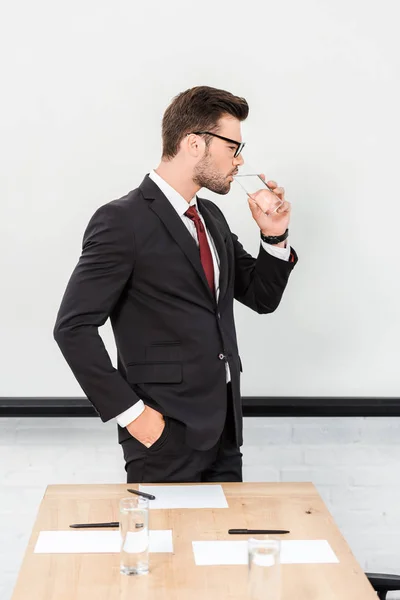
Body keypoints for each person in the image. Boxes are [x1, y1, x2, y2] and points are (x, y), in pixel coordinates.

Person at [53, 85, 298, 483]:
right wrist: (135, 418)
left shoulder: (212, 218)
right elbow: (72, 328)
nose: (240, 160)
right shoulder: (121, 221)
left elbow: (261, 297)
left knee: (227, 545)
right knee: (166, 547)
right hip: (162, 436)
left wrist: (274, 235)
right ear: (194, 144)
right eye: (233, 147)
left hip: (223, 434)